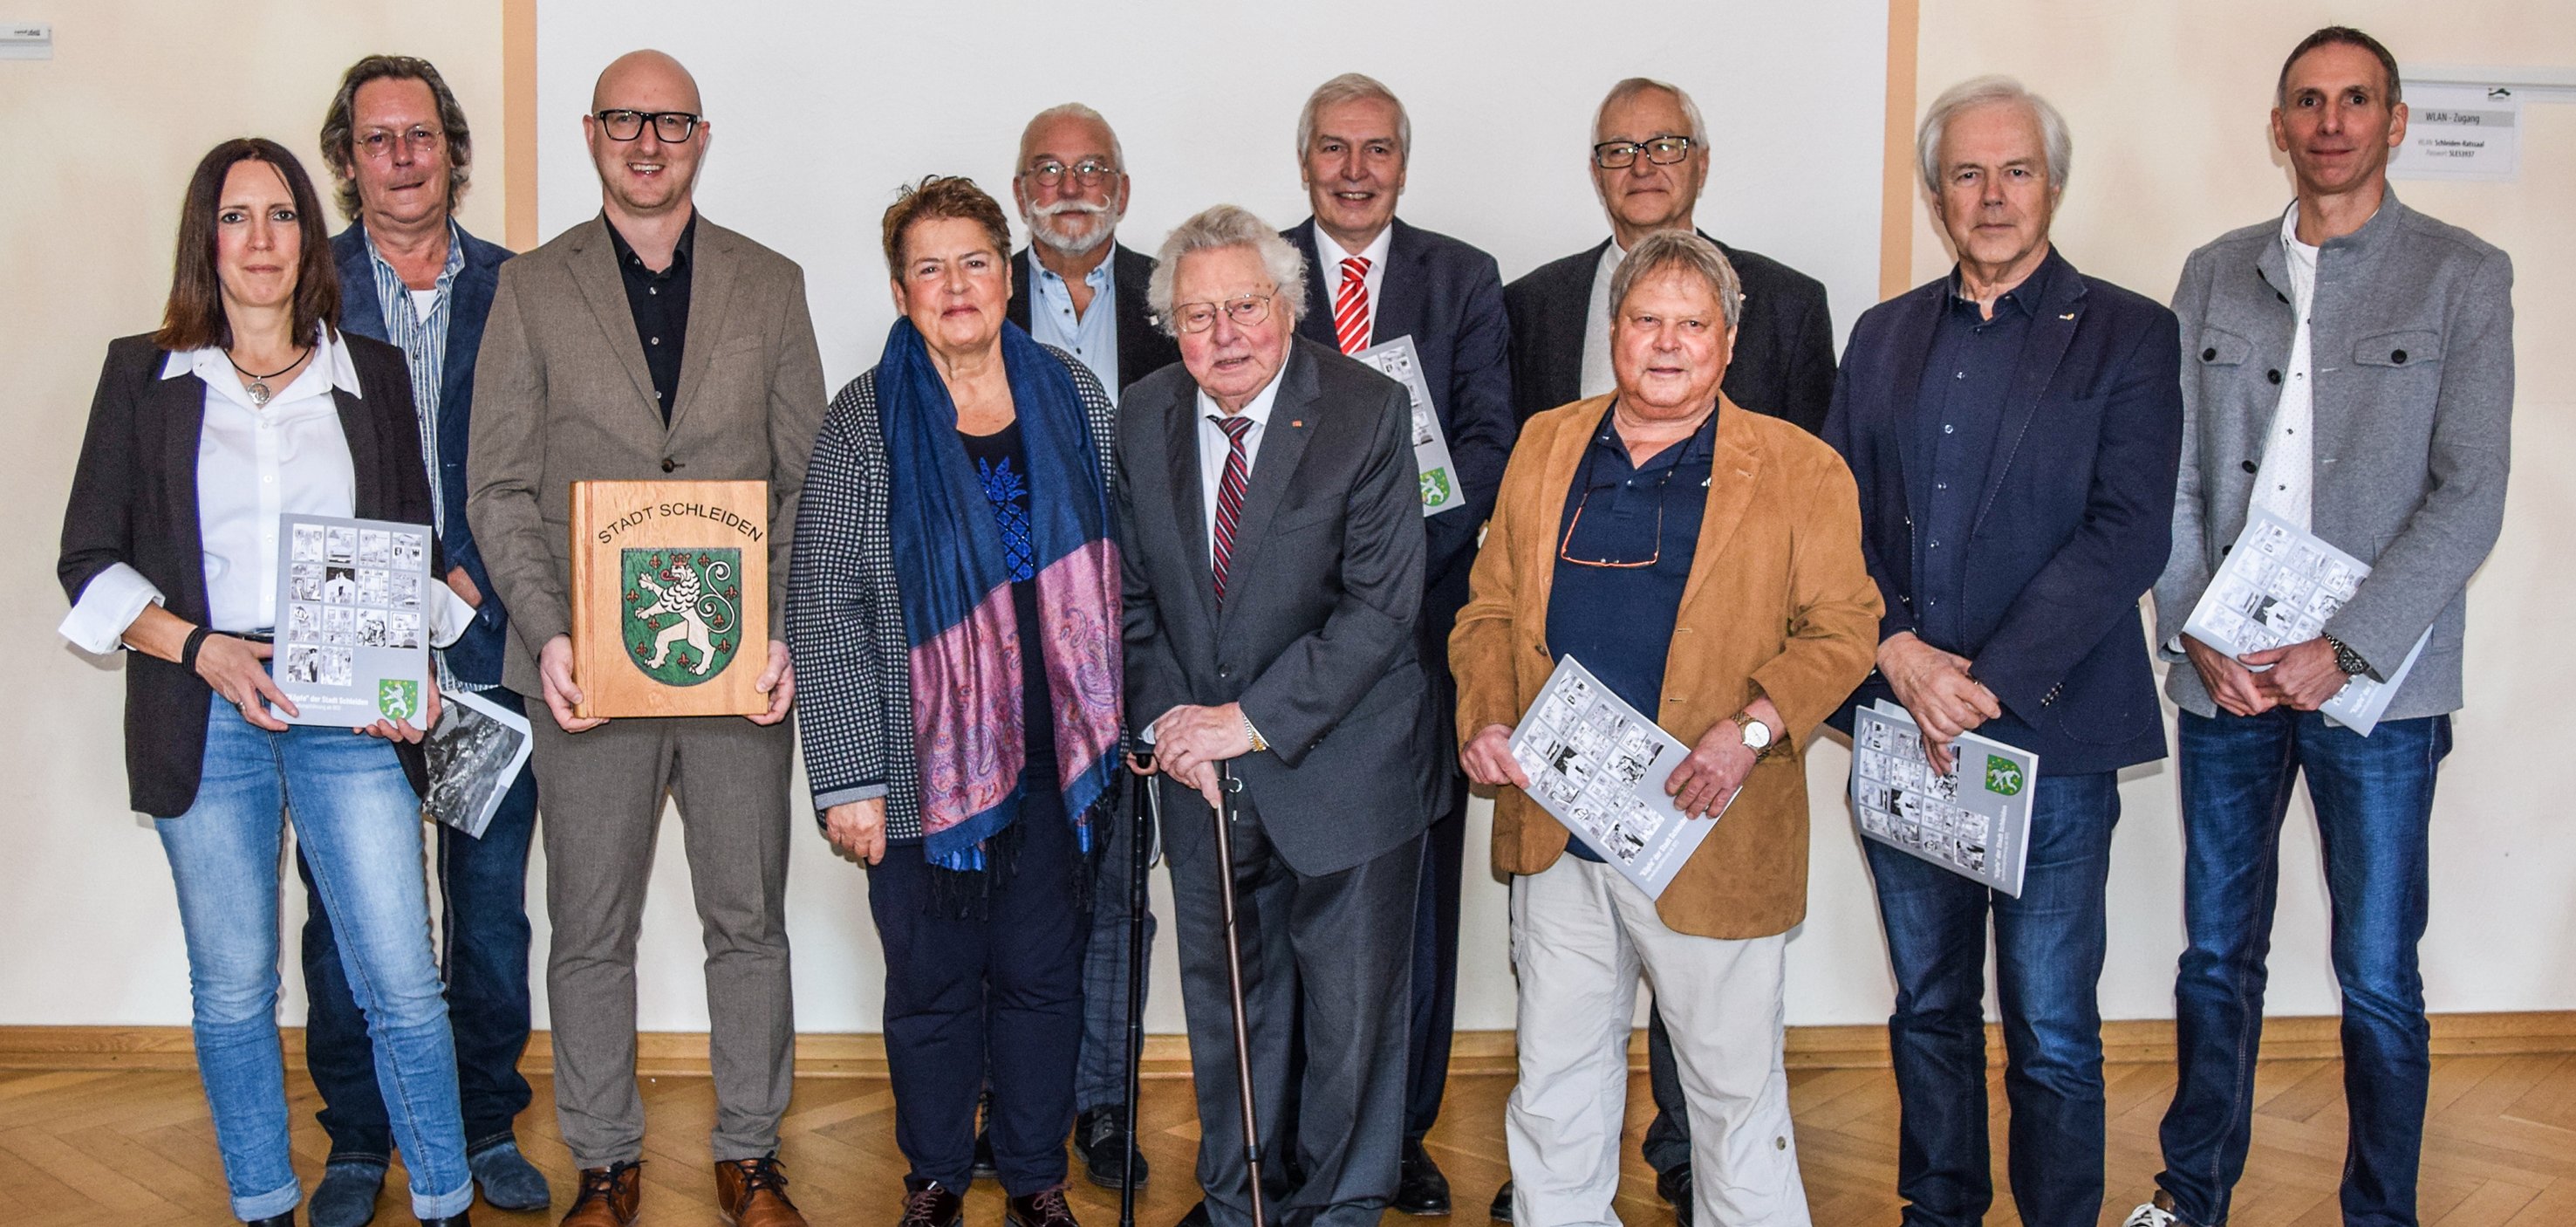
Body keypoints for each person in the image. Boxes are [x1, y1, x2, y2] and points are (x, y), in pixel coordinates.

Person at [2125, 27, 2514, 1227]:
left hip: (2379, 691)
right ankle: (2190, 1197)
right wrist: (2191, 624)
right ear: (2278, 126)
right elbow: (2174, 473)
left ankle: (2379, 1212)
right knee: (2214, 959)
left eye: (2356, 101)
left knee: (2380, 977)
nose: (2331, 121)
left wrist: (2341, 645)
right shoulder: (2209, 271)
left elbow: (2469, 491)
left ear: (2393, 122)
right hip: (2224, 678)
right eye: (2308, 101)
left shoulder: (2462, 275)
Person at [56, 137, 475, 1227]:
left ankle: (443, 1201)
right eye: (235, 217)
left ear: (308, 234)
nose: (260, 239)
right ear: (206, 237)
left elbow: (411, 548)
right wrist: (201, 648)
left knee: (402, 978)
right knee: (235, 989)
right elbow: (89, 557)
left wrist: (416, 663)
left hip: (348, 705)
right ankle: (261, 1204)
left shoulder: (368, 374)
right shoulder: (139, 375)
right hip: (204, 702)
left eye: (281, 215)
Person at [1452, 230, 1879, 1227]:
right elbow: (1486, 609)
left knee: (1734, 1098)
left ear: (1728, 344)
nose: (1668, 343)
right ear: (1614, 332)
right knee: (1554, 1082)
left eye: (1693, 324)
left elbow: (1846, 626)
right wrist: (1486, 712)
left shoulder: (1799, 467)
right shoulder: (1546, 441)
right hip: (1557, 825)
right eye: (1647, 320)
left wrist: (1756, 728)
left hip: (1710, 826)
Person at [464, 49, 825, 1227]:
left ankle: (748, 1153)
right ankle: (605, 1159)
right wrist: (549, 630)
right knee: (590, 928)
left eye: (669, 120)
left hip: (737, 676)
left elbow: (806, 480)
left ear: (701, 136)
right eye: (626, 119)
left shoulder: (770, 285)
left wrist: (777, 630)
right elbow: (499, 488)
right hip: (589, 677)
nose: (648, 140)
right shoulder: (529, 288)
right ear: (591, 133)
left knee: (748, 920)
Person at [1826, 76, 2183, 1227]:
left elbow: (2126, 531)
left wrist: (1970, 682)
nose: (1991, 195)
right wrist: (1897, 653)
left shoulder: (2130, 331)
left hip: (2055, 736)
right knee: (1927, 1005)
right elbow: (1835, 520)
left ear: (2053, 185)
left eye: (2014, 170)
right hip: (1900, 727)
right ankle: (1940, 1207)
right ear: (1934, 196)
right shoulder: (1882, 336)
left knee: (2051, 1025)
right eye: (1967, 173)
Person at [789, 175, 1123, 1227]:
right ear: (900, 292)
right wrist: (848, 777)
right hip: (914, 759)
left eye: (974, 259)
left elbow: (1125, 570)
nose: (955, 284)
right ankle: (935, 1174)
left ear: (1008, 273)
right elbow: (824, 603)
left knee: (1042, 979)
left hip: (1057, 755)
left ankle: (1032, 1175)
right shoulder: (863, 419)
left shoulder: (1073, 396)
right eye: (927, 267)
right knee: (932, 985)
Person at [1121, 203, 1432, 1227]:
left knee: (1350, 1028)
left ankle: (1339, 1209)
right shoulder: (1141, 415)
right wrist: (1175, 721)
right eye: (1198, 312)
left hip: (1345, 767)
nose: (1225, 333)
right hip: (1202, 777)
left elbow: (1381, 606)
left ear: (1288, 305)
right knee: (1227, 1012)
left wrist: (1241, 720)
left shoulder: (1368, 410)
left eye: (1244, 304)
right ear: (1170, 322)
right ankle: (1238, 1202)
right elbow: (1130, 602)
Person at [304, 53, 548, 1227]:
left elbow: (551, 462)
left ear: (451, 147)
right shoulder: (303, 288)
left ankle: (485, 1117)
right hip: (349, 651)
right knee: (351, 902)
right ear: (346, 163)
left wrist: (476, 571)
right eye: (378, 139)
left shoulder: (525, 288)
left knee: (491, 907)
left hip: (492, 642)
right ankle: (358, 1132)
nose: (404, 156)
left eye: (422, 135)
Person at [1278, 72, 1516, 1217]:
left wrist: (1379, 573)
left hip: (1419, 637)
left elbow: (1482, 445)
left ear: (1402, 164)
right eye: (1335, 148)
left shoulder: (1461, 279)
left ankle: (1402, 1131)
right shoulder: (1258, 276)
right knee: (1282, 894)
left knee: (1414, 905)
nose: (1355, 169)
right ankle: (1283, 1134)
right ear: (1305, 159)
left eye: (1376, 149)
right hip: (1277, 645)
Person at [1001, 101, 1181, 1189]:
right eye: (1048, 169)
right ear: (1021, 191)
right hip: (1000, 647)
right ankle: (1004, 1096)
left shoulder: (1173, 302)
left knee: (1116, 885)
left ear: (1122, 185)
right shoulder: (973, 296)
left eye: (1094, 167)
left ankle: (1106, 1104)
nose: (1072, 185)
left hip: (1136, 636)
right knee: (1003, 880)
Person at [1505, 78, 1835, 435]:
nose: (1642, 167)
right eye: (1619, 151)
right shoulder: (1530, 306)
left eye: (1664, 146)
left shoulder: (1788, 305)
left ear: (1702, 164)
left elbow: (1813, 465)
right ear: (1597, 175)